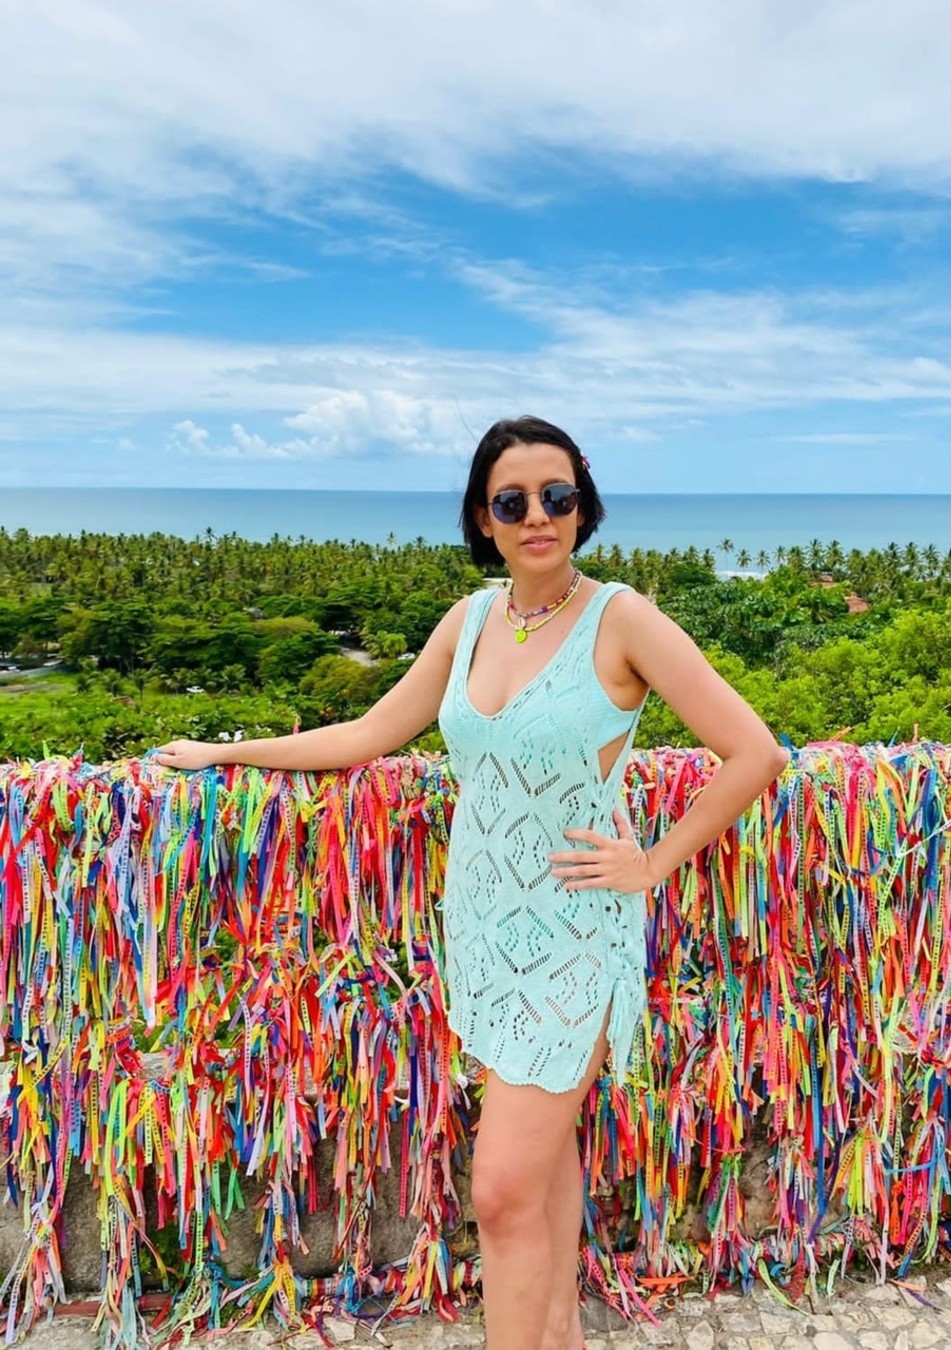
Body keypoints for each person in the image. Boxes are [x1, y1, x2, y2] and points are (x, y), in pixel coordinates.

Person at [155, 415, 788, 1350]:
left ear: (583, 507)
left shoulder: (621, 619)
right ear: (483, 519)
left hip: (576, 935)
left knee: (497, 1192)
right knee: (542, 1171)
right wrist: (225, 751)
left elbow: (755, 752)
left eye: (558, 496)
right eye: (513, 501)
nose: (539, 516)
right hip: (486, 933)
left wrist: (652, 862)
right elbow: (370, 733)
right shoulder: (471, 620)